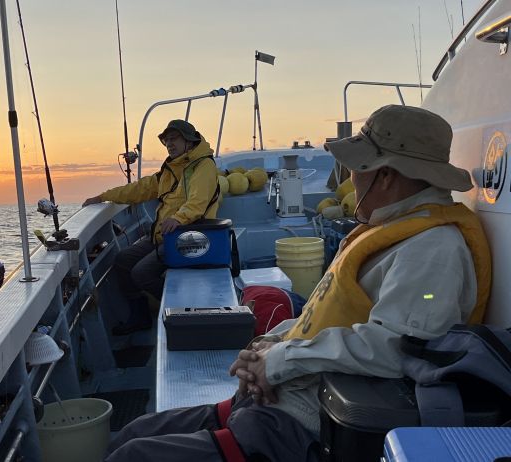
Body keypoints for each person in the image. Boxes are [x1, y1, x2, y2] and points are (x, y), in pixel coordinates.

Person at [103, 105, 492, 461]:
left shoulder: (432, 250)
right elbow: (320, 315)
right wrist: (265, 346)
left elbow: (393, 348)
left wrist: (278, 362)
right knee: (133, 434)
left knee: (132, 456)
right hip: (279, 399)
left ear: (386, 176)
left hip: (304, 424)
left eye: (357, 167)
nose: (350, 178)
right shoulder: (390, 228)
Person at [83, 119, 219, 335]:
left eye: (174, 139)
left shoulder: (204, 166)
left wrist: (178, 218)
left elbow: (198, 203)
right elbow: (140, 189)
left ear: (189, 141)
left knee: (141, 273)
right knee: (123, 261)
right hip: (165, 234)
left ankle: (182, 308)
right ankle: (140, 317)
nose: (169, 144)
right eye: (166, 141)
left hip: (190, 237)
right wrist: (103, 196)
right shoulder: (170, 169)